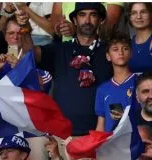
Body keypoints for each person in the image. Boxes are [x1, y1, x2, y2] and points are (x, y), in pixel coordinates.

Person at [33, 3, 113, 136]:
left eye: (93, 15)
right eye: (82, 15)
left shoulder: (111, 51)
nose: (87, 21)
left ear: (101, 20)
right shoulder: (59, 49)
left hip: (101, 135)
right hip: (64, 136)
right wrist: (24, 28)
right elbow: (31, 54)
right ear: (74, 20)